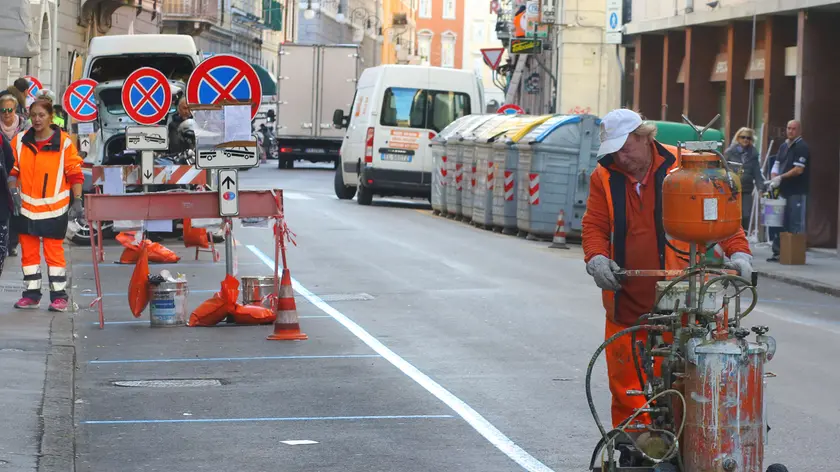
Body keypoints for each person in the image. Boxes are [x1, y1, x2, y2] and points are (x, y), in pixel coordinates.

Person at [581, 109, 754, 430]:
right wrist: (596, 258)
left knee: (682, 386)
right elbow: (594, 225)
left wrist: (740, 253)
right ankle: (634, 449)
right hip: (627, 302)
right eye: (614, 150)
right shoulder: (603, 176)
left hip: (683, 303)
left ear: (645, 137)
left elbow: (721, 219)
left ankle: (681, 448)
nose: (620, 156)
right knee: (627, 387)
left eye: (626, 147)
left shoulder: (688, 168)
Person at [10, 99, 84, 312]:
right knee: (29, 255)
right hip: (25, 208)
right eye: (33, 115)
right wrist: (13, 191)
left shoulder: (64, 143)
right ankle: (31, 294)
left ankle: (59, 297)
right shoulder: (20, 141)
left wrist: (77, 201)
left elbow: (75, 174)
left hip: (54, 209)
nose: (36, 119)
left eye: (41, 115)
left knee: (54, 255)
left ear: (50, 117)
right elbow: (13, 171)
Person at [767, 120, 809, 262]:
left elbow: (798, 169)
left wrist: (780, 177)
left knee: (794, 222)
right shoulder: (784, 146)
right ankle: (779, 252)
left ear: (799, 130)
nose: (790, 131)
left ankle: (794, 253)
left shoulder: (802, 146)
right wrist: (774, 177)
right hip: (782, 189)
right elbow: (777, 163)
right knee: (780, 221)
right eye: (788, 128)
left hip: (796, 190)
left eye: (793, 129)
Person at [0, 94, 31, 257]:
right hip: (2, 175)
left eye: (9, 110)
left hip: (21, 172)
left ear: (15, 110)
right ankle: (6, 242)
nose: (6, 113)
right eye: (2, 110)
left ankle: (12, 244)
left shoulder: (26, 127)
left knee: (17, 209)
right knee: (4, 209)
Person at [724, 127, 765, 230]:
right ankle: (732, 236)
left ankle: (743, 236)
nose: (746, 140)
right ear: (738, 138)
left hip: (746, 189)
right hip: (731, 189)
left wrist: (761, 188)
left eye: (748, 138)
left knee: (746, 215)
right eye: (743, 137)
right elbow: (722, 168)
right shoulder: (729, 152)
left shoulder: (753, 155)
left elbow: (757, 173)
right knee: (732, 214)